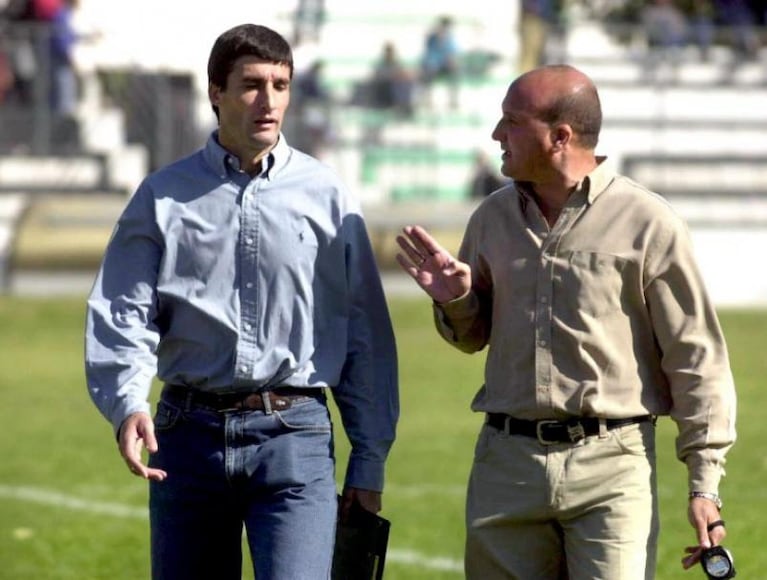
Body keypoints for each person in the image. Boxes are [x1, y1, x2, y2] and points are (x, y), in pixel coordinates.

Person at [396, 64, 736, 579]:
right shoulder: (490, 218)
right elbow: (470, 338)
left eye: (511, 121)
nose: (496, 136)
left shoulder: (649, 222)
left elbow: (696, 357)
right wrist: (457, 302)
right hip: (505, 466)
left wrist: (704, 483)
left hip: (613, 467)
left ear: (560, 137)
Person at [85, 23, 399, 580]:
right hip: (185, 439)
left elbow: (363, 334)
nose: (269, 100)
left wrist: (369, 458)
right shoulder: (162, 196)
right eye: (252, 85)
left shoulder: (328, 197)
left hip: (296, 437)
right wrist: (128, 404)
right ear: (215, 92)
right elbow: (123, 313)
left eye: (281, 84)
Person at [420, 15, 459, 108]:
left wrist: (451, 61)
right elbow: (429, 54)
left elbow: (452, 53)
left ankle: (453, 100)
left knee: (454, 72)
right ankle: (428, 100)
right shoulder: (432, 38)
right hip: (433, 65)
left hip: (445, 65)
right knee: (429, 71)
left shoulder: (450, 38)